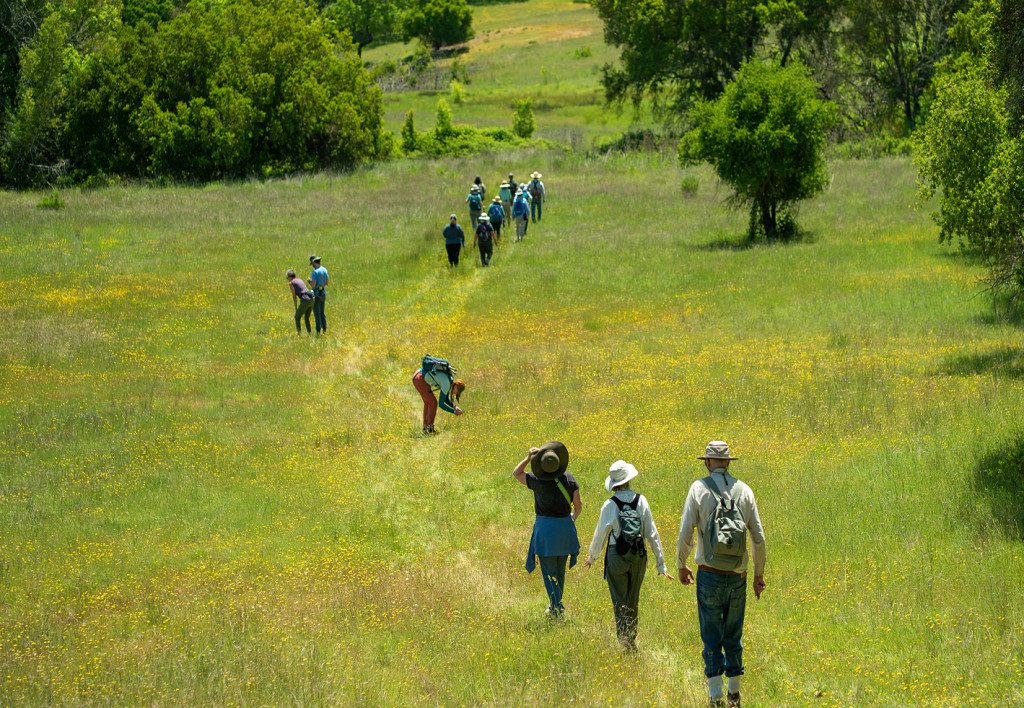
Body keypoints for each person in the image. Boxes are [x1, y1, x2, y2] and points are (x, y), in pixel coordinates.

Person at [677, 441, 766, 708]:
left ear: (707, 462)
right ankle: (734, 696)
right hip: (738, 576)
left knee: (711, 636)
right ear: (728, 462)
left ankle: (715, 697)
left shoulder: (698, 488)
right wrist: (758, 575)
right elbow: (758, 538)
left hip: (709, 573)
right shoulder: (745, 491)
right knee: (733, 635)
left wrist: (681, 564)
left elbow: (685, 532)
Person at [584, 460, 672, 652]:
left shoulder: (609, 504)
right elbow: (652, 533)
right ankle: (631, 640)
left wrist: (592, 557)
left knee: (619, 600)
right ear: (629, 479)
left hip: (617, 555)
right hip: (638, 554)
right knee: (633, 599)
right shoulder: (642, 500)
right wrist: (661, 564)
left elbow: (600, 534)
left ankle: (624, 641)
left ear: (614, 484)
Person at [513, 441, 581, 619]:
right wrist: (570, 520)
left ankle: (556, 608)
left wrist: (528, 458)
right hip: (565, 531)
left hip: (545, 532)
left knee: (549, 572)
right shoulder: (570, 479)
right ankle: (555, 606)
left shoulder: (536, 480)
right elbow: (578, 507)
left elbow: (516, 473)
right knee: (559, 572)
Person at [411, 355, 464, 434]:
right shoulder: (447, 384)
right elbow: (441, 404)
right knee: (433, 403)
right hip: (420, 379)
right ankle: (429, 429)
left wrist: (454, 406)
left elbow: (445, 398)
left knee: (428, 402)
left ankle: (426, 428)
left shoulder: (450, 380)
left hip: (418, 374)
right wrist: (453, 411)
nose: (456, 394)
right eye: (458, 392)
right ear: (456, 387)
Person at [286, 269, 315, 335]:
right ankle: (309, 333)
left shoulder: (291, 283)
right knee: (306, 317)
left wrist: (296, 308)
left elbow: (294, 296)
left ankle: (299, 334)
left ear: (290, 277)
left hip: (305, 299)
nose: (287, 279)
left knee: (297, 317)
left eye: (287, 277)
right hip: (312, 297)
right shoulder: (300, 279)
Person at [308, 255, 329, 335]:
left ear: (314, 262)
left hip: (316, 294)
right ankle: (324, 330)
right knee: (322, 312)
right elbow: (327, 283)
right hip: (323, 293)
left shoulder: (315, 272)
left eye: (312, 264)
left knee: (317, 313)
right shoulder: (324, 270)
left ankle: (318, 331)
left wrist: (309, 281)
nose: (312, 265)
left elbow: (313, 285)